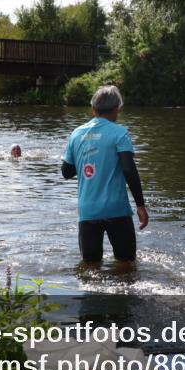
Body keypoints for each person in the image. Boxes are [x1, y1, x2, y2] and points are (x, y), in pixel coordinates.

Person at [62, 85, 148, 269]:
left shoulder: (76, 134)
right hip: (117, 210)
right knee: (126, 265)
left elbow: (66, 172)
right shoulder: (120, 133)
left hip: (88, 211)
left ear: (93, 109)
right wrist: (140, 205)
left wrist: (88, 157)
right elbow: (128, 169)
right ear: (117, 109)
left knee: (90, 268)